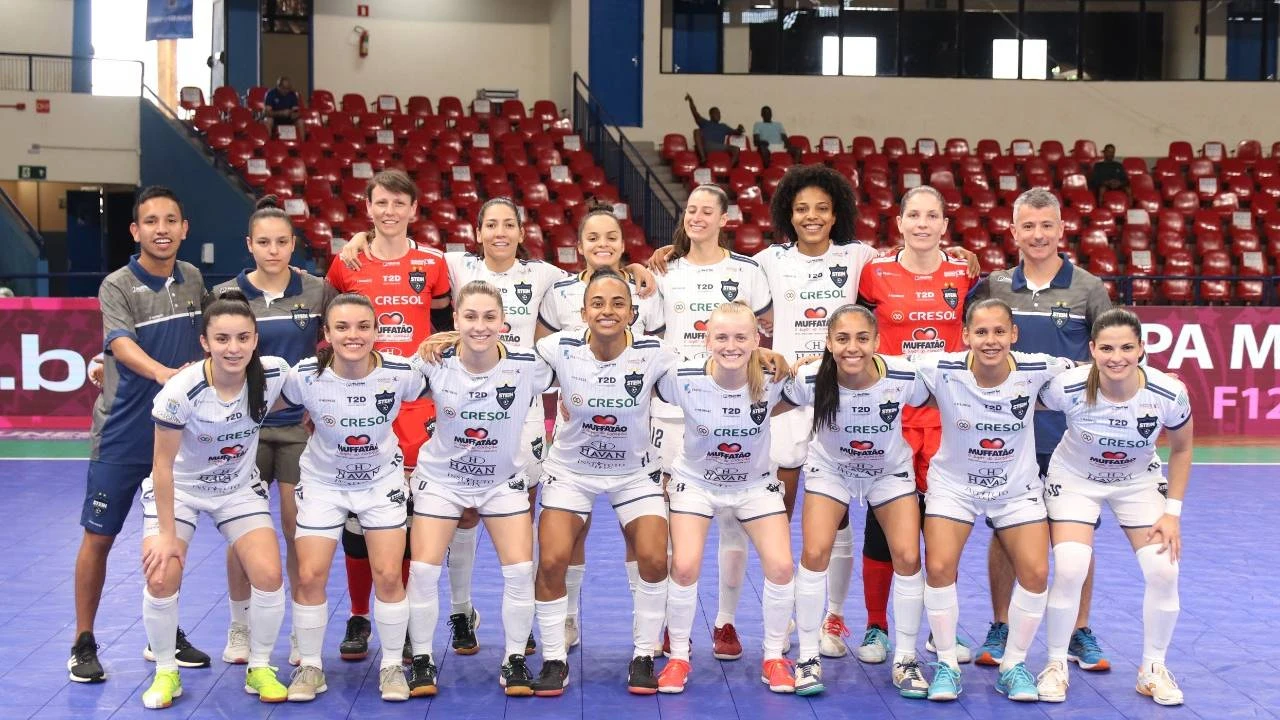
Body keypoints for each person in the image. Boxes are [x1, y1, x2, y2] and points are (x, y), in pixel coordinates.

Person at [70, 186, 210, 684]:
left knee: (168, 538)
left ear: (184, 228)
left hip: (175, 438)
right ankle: (83, 641)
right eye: (151, 221)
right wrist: (164, 374)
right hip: (122, 435)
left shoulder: (194, 278)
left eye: (171, 220)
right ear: (135, 230)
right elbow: (122, 344)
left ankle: (162, 635)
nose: (161, 229)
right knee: (99, 538)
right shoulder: (117, 285)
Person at [969, 188, 1113, 671]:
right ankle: (1000, 624)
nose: (1037, 235)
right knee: (1005, 532)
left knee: (1076, 538)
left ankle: (1078, 630)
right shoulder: (995, 286)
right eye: (1028, 226)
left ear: (1061, 229)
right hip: (1009, 438)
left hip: (1071, 440)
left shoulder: (1089, 288)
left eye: (1046, 225)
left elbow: (1109, 352)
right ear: (1013, 232)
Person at [912, 298, 1074, 703]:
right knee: (939, 566)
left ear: (1013, 334)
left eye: (1000, 331)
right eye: (981, 332)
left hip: (1015, 490)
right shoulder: (938, 367)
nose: (991, 340)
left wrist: (1150, 375)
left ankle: (1013, 664)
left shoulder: (1039, 367)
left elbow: (1097, 371)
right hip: (954, 487)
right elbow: (876, 366)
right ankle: (946, 664)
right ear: (965, 335)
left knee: (1036, 572)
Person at [139, 292, 292, 708]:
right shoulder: (180, 392)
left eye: (243, 337)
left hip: (237, 489)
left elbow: (319, 383)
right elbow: (162, 466)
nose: (233, 348)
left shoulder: (274, 374)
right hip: (180, 490)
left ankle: (260, 667)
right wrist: (166, 535)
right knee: (161, 575)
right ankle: (166, 672)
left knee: (269, 575)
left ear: (255, 339)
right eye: (222, 339)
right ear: (205, 342)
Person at [401, 281, 554, 697]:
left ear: (504, 323)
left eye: (489, 317)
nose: (480, 326)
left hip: (501, 482)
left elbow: (583, 359)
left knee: (520, 571)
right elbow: (385, 384)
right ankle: (422, 658)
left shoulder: (528, 365)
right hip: (443, 481)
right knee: (423, 570)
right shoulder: (434, 361)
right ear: (455, 320)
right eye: (470, 317)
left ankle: (514, 659)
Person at [529, 269, 677, 696]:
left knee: (654, 559)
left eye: (617, 304)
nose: (607, 311)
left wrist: (763, 358)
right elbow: (504, 364)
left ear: (632, 313)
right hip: (571, 472)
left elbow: (708, 373)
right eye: (597, 303)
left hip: (635, 474)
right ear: (583, 312)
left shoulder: (655, 353)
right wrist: (453, 343)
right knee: (552, 561)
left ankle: (644, 654)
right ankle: (554, 659)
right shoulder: (558, 347)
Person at [1035, 309, 1192, 706]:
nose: (1116, 357)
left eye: (1126, 348)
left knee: (1164, 571)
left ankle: (1153, 669)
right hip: (1075, 479)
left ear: (1141, 349)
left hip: (1137, 482)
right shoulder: (1068, 386)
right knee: (1070, 566)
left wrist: (1172, 512)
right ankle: (1055, 664)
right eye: (1106, 348)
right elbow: (1018, 399)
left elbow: (1182, 449)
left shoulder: (1168, 393)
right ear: (1092, 349)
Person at [325, 170, 450, 663]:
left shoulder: (433, 263)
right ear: (368, 207)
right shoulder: (347, 262)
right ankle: (359, 615)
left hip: (418, 406)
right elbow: (330, 329)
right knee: (358, 516)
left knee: (411, 518)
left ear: (414, 209)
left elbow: (445, 328)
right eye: (381, 202)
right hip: (360, 406)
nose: (390, 211)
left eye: (400, 203)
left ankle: (408, 620)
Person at [279, 293, 427, 703]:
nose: (353, 335)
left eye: (363, 326)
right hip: (324, 483)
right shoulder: (304, 376)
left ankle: (392, 666)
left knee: (389, 575)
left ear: (377, 331)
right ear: (326, 334)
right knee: (310, 575)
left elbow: (456, 382)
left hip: (381, 483)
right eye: (342, 327)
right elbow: (254, 397)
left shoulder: (401, 373)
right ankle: (310, 666)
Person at [649, 184, 772, 662]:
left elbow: (762, 333)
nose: (696, 217)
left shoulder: (747, 271)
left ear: (725, 219)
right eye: (691, 210)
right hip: (674, 409)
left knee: (734, 519)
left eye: (706, 210)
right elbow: (652, 333)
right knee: (672, 519)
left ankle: (725, 621)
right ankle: (668, 621)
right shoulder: (666, 270)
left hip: (734, 405)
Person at [855, 186, 975, 666]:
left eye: (932, 216)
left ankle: (939, 629)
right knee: (883, 523)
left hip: (947, 418)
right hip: (890, 417)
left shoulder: (965, 273)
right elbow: (852, 331)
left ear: (945, 225)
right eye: (914, 216)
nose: (923, 224)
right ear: (900, 222)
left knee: (942, 526)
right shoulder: (874, 272)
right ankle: (876, 625)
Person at [786, 305, 931, 697]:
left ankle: (906, 659)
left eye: (862, 338)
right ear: (828, 343)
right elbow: (763, 398)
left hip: (888, 471)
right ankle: (807, 658)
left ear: (877, 341)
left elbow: (955, 390)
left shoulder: (904, 375)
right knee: (815, 552)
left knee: (908, 556)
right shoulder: (810, 378)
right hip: (831, 469)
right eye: (843, 339)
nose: (853, 347)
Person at [536, 202, 664, 649]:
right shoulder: (558, 292)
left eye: (611, 237)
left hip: (632, 442)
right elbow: (536, 357)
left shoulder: (647, 288)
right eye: (593, 237)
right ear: (578, 245)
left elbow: (659, 360)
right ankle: (567, 619)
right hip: (575, 445)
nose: (602, 244)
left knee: (644, 542)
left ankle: (645, 633)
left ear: (625, 243)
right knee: (568, 537)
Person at [656, 300, 796, 694]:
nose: (730, 345)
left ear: (757, 340)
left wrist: (786, 362)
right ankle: (678, 657)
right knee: (684, 566)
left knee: (782, 566)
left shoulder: (775, 378)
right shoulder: (682, 377)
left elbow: (827, 378)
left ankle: (774, 657)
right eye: (721, 337)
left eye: (740, 337)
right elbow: (633, 377)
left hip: (754, 486)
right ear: (706, 340)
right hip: (696, 483)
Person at [213, 196, 329, 667]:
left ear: (293, 244)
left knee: (298, 529)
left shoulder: (316, 290)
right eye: (264, 242)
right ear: (249, 245)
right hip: (245, 431)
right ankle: (240, 627)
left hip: (299, 429)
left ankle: (301, 631)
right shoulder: (227, 294)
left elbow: (338, 343)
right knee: (243, 531)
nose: (273, 250)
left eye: (281, 241)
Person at [685, 93, 744, 164]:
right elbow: (695, 113)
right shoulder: (705, 123)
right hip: (707, 146)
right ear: (711, 115)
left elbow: (736, 132)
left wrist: (740, 129)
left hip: (719, 147)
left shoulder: (723, 126)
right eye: (716, 113)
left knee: (736, 149)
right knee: (697, 131)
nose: (718, 115)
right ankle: (703, 158)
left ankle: (728, 168)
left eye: (719, 113)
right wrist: (691, 101)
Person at [263, 75, 304, 140]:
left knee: (300, 121)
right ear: (278, 87)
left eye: (288, 88)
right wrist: (281, 113)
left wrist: (293, 114)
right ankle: (269, 142)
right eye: (284, 88)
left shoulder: (292, 94)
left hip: (288, 118)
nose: (286, 90)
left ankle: (302, 143)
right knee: (268, 120)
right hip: (275, 118)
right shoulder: (271, 94)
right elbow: (266, 113)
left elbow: (296, 111)